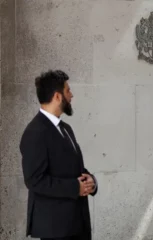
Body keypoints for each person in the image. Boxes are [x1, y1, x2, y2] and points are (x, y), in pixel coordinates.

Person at [20, 70, 98, 240]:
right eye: (68, 90)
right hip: (55, 229)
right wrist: (74, 187)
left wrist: (91, 181)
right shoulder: (35, 132)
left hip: (77, 224)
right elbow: (34, 180)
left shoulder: (66, 129)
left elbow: (74, 168)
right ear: (57, 96)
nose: (71, 95)